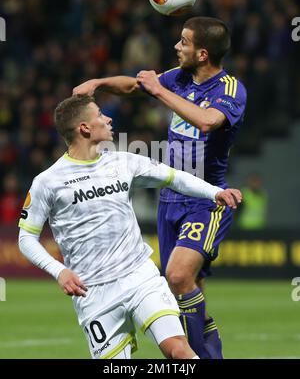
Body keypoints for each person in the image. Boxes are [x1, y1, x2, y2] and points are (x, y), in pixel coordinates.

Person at [73, 16, 247, 359]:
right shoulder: (180, 78)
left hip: (206, 198)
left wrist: (160, 90)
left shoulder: (230, 89)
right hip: (170, 198)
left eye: (184, 42)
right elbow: (136, 85)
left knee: (178, 275)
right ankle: (209, 355)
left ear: (202, 54)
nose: (176, 46)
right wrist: (99, 82)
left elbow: (208, 121)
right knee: (186, 288)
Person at [18, 94, 242, 360]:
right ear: (84, 128)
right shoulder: (48, 182)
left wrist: (214, 192)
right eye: (100, 114)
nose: (108, 118)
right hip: (93, 292)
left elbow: (174, 178)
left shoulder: (124, 162)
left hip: (140, 276)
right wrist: (59, 271)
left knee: (180, 351)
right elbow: (26, 238)